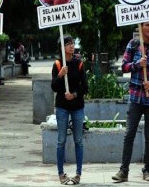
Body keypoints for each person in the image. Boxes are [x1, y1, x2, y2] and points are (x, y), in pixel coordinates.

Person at [112, 21, 149, 183]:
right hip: (135, 97)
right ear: (141, 27)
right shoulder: (133, 44)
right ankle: (123, 171)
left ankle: (147, 170)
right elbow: (124, 67)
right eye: (147, 25)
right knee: (129, 134)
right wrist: (138, 64)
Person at [51, 34, 88, 185]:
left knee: (78, 140)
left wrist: (74, 94)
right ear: (62, 47)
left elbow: (85, 87)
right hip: (62, 107)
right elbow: (54, 87)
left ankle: (78, 173)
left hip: (77, 107)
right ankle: (61, 173)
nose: (72, 46)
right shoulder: (58, 65)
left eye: (72, 43)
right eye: (68, 44)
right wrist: (60, 76)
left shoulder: (79, 64)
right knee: (61, 141)